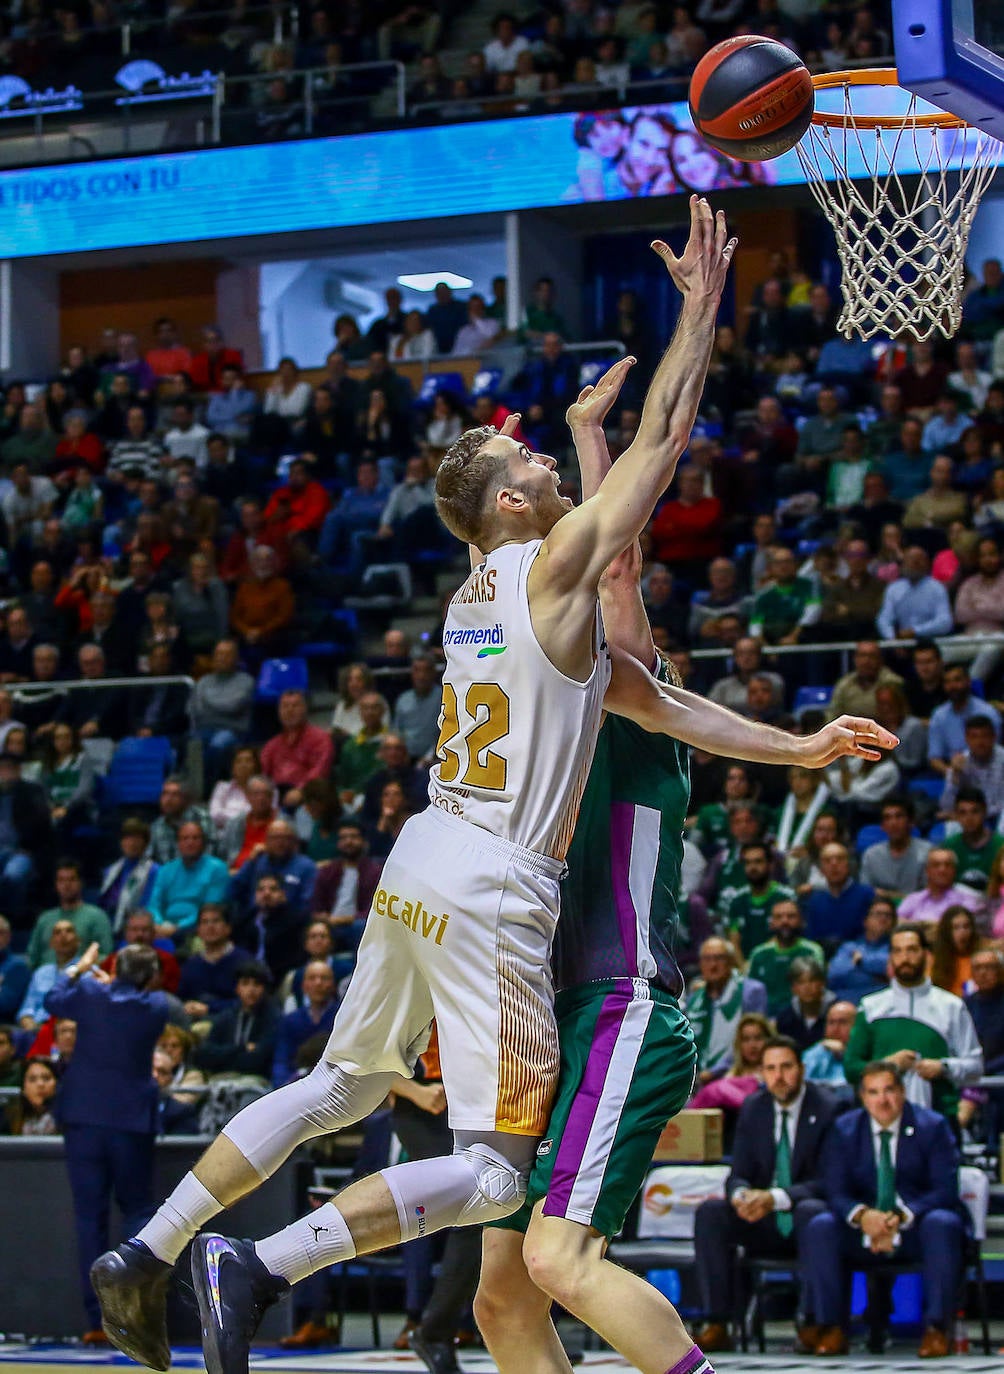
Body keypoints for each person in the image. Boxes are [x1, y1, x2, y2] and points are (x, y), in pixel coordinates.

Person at [90, 204, 881, 1374]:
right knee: (497, 1174)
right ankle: (255, 1266)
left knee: (341, 1083)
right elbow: (663, 443)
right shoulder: (552, 571)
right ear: (512, 507)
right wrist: (702, 308)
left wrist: (798, 747)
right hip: (497, 887)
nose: (549, 466)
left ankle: (145, 1250)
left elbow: (657, 698)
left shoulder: (476, 588)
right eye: (533, 466)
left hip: (418, 856)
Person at [44, 942, 168, 1341]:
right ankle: (137, 1314)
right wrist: (108, 984)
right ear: (151, 976)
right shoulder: (157, 1007)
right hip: (131, 1122)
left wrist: (78, 968)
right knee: (137, 1212)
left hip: (83, 1119)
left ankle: (97, 1319)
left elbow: (52, 999)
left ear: (114, 969)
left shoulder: (89, 993)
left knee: (89, 1218)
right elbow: (131, 999)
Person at [803, 1061, 966, 1358]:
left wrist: (901, 1217)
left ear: (902, 1092)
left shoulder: (932, 1127)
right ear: (862, 1097)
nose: (883, 1100)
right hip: (862, 1230)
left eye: (889, 1090)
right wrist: (863, 1216)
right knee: (821, 1226)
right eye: (873, 1092)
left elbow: (945, 1190)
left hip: (915, 1228)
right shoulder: (844, 1129)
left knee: (943, 1223)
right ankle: (831, 1327)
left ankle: (937, 1329)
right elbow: (835, 1190)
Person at [692, 1036, 839, 1353]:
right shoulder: (754, 1108)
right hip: (761, 1217)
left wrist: (775, 1198)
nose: (779, 1076)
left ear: (801, 1069)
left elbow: (830, 1180)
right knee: (710, 1214)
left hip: (803, 1217)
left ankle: (817, 1323)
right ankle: (717, 1322)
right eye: (770, 1069)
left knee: (814, 1213)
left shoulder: (828, 1108)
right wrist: (741, 1195)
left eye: (786, 1067)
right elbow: (739, 1172)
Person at [844, 924, 983, 1118]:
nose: (905, 958)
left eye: (911, 950)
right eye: (898, 951)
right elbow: (851, 1068)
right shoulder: (870, 1007)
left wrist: (943, 1068)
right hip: (881, 1119)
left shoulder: (951, 1005)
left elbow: (975, 1066)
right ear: (890, 958)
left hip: (940, 1118)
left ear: (926, 955)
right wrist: (887, 1065)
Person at [193, 960, 278, 1082]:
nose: (251, 990)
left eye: (257, 984)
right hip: (221, 1078)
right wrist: (241, 1049)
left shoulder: (273, 1018)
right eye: (245, 983)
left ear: (264, 989)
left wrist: (223, 1058)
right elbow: (205, 1055)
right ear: (237, 988)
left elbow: (258, 1061)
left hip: (256, 1080)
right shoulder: (227, 1016)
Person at [147, 823, 230, 942]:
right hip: (163, 927)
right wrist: (158, 924)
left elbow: (211, 908)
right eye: (185, 838)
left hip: (197, 929)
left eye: (195, 838)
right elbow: (154, 905)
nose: (190, 842)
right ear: (178, 843)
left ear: (203, 843)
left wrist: (178, 927)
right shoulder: (166, 870)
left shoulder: (217, 869)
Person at [311, 820, 384, 954]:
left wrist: (345, 919)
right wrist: (323, 917)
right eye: (343, 838)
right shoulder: (328, 871)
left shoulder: (375, 872)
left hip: (356, 924)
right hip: (330, 925)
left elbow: (373, 909)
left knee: (360, 926)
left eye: (353, 837)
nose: (348, 841)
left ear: (363, 841)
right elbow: (317, 906)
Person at [27, 859, 112, 968]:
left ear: (81, 883)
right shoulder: (45, 919)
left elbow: (106, 956)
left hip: (82, 975)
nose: (66, 885)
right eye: (61, 880)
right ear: (56, 884)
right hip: (46, 976)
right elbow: (32, 958)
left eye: (72, 879)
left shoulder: (97, 917)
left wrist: (82, 968)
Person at [747, 900, 825, 1017]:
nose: (785, 921)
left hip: (800, 1016)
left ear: (801, 921)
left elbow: (819, 989)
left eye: (791, 916)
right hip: (764, 1017)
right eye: (778, 917)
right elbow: (750, 993)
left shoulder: (812, 951)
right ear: (771, 923)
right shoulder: (758, 954)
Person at [260, 690, 335, 811]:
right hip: (275, 799)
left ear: (305, 709)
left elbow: (320, 771)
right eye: (285, 706)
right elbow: (262, 775)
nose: (290, 710)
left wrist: (301, 790)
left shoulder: (320, 739)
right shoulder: (271, 745)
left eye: (295, 705)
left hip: (308, 799)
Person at [722, 841, 797, 958]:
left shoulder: (786, 897)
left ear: (770, 865)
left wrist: (756, 963)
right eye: (748, 863)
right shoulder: (737, 900)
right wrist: (744, 966)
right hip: (742, 964)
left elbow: (784, 938)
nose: (753, 867)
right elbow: (733, 939)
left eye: (758, 862)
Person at [176, 906, 250, 1019]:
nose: (210, 926)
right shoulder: (191, 964)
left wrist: (209, 1008)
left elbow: (248, 1000)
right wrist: (187, 1006)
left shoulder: (244, 961)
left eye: (216, 921)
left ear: (228, 928)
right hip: (192, 1020)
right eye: (205, 922)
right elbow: (180, 997)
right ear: (198, 930)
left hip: (230, 1020)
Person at [927, 665, 1001, 777]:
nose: (952, 686)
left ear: (968, 682)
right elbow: (934, 758)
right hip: (953, 771)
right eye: (947, 682)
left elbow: (995, 753)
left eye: (957, 680)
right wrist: (951, 773)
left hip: (987, 772)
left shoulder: (988, 713)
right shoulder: (939, 715)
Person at [802, 842, 874, 951]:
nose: (834, 864)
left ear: (848, 865)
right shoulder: (814, 900)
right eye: (827, 860)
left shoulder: (867, 895)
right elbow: (810, 939)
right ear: (821, 870)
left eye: (840, 859)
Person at [859, 796, 930, 902]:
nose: (893, 823)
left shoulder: (928, 853)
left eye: (899, 817)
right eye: (887, 818)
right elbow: (866, 894)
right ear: (882, 826)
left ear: (911, 822)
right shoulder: (871, 855)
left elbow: (930, 895)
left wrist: (887, 894)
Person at [827, 898, 894, 1004]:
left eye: (888, 915)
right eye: (878, 914)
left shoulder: (895, 947)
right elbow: (835, 974)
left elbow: (889, 967)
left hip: (881, 1002)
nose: (883, 918)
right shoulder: (849, 947)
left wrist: (861, 961)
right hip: (847, 1001)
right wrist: (877, 976)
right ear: (865, 921)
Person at [939, 719, 1004, 822]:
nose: (980, 742)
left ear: (994, 737)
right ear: (967, 739)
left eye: (985, 736)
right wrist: (955, 775)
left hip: (1000, 817)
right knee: (951, 826)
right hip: (971, 819)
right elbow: (946, 807)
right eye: (974, 737)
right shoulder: (960, 761)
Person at [898, 846, 981, 924]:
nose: (942, 870)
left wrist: (918, 924)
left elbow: (960, 927)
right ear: (927, 870)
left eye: (947, 865)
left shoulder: (966, 900)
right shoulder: (913, 899)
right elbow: (897, 921)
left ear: (954, 870)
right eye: (936, 865)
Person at [942, 786, 1003, 888]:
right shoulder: (949, 846)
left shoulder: (1001, 845)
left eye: (975, 812)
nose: (969, 818)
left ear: (984, 812)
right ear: (956, 816)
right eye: (963, 813)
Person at [776, 957, 835, 1051]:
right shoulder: (785, 1018)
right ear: (793, 988)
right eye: (801, 982)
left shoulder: (838, 1012)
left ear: (822, 983)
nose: (807, 987)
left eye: (812, 981)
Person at [928, 904, 982, 998]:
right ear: (947, 932)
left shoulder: (981, 958)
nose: (962, 932)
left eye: (966, 926)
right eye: (956, 927)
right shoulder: (934, 961)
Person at [802, 1000, 858, 1088]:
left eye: (843, 1022)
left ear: (856, 1026)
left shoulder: (864, 1056)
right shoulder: (814, 1053)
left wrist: (845, 1052)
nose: (835, 1029)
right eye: (831, 1022)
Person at [3, 1055, 59, 1135]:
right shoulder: (9, 1118)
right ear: (23, 1088)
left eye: (46, 1078)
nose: (40, 1084)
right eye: (32, 1079)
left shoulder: (67, 1118)